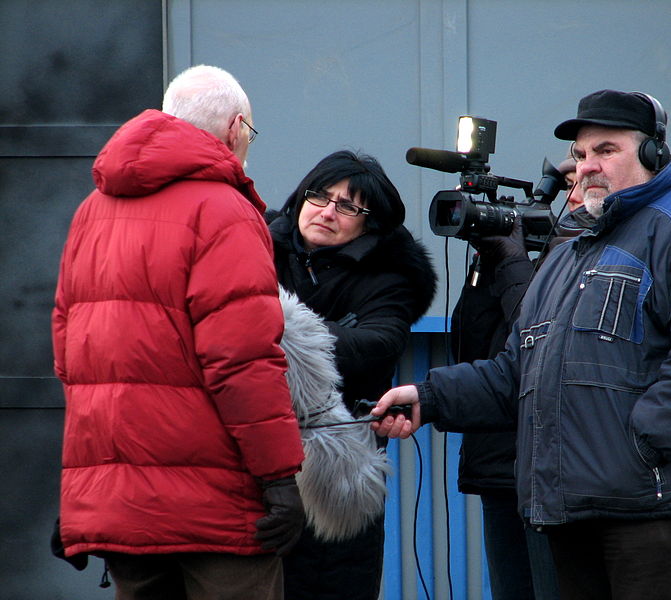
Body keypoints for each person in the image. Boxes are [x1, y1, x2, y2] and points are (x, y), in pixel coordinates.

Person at [372, 89, 671, 600]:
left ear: (653, 154)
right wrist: (429, 397)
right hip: (567, 510)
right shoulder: (568, 252)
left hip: (649, 509)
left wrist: (639, 448)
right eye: (580, 155)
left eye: (606, 150)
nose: (587, 167)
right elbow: (517, 371)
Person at [50, 64, 305, 600]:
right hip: (217, 507)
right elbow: (242, 361)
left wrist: (80, 493)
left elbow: (72, 358)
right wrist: (280, 479)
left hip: (122, 506)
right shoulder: (226, 211)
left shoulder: (92, 211)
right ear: (236, 128)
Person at [267, 150, 437, 599]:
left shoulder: (390, 276)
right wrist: (336, 331)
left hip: (335, 476)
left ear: (370, 223)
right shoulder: (252, 243)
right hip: (254, 464)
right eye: (319, 195)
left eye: (347, 206)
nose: (326, 212)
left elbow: (378, 345)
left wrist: (276, 323)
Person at [451, 157, 593, 600]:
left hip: (557, 472)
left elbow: (540, 340)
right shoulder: (538, 258)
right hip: (501, 465)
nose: (571, 196)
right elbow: (471, 346)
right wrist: (486, 264)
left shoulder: (591, 259)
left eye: (580, 185)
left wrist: (512, 260)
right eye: (567, 184)